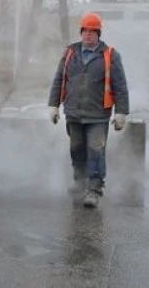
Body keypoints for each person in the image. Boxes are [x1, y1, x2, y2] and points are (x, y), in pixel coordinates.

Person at [47, 12, 129, 208]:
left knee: (95, 150)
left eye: (92, 32)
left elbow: (120, 85)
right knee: (76, 150)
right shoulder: (70, 53)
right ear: (81, 32)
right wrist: (53, 105)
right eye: (85, 31)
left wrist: (121, 112)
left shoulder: (110, 56)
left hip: (98, 115)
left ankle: (94, 189)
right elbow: (60, 79)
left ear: (98, 34)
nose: (88, 35)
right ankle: (79, 183)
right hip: (74, 113)